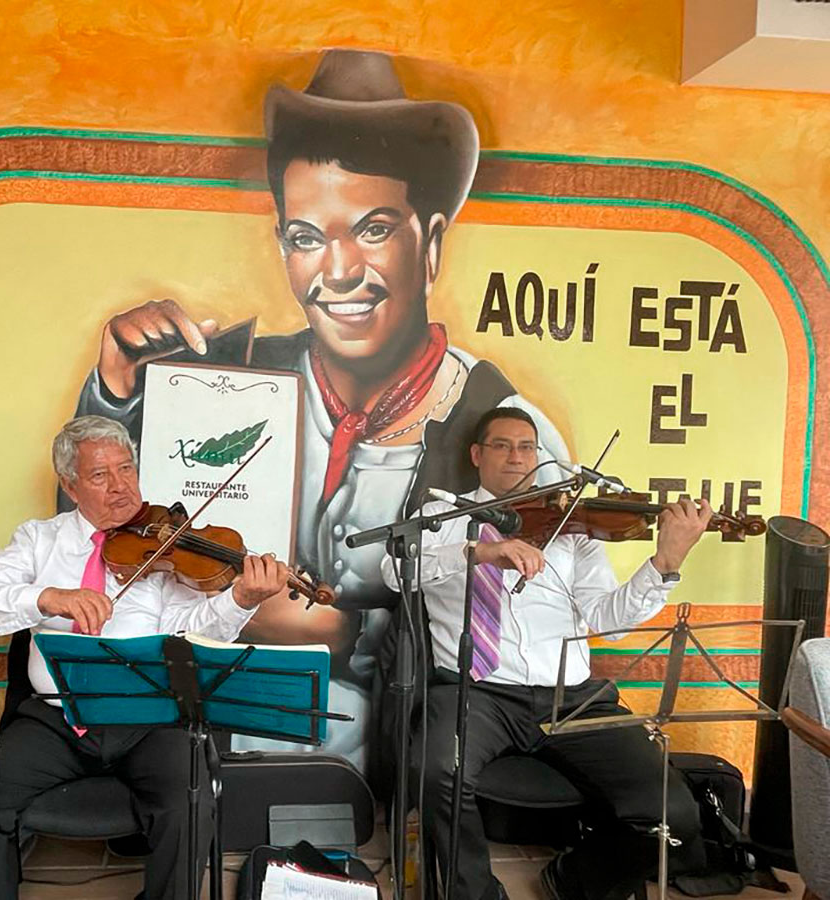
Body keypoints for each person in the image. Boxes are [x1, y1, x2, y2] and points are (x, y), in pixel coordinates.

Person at [72, 49, 568, 768]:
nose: (337, 272)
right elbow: (107, 527)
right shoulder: (235, 373)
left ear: (430, 244)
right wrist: (118, 388)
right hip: (218, 719)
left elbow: (534, 599)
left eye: (373, 230)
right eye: (306, 238)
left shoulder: (500, 421)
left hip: (394, 739)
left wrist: (349, 629)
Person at [0, 415, 290, 900]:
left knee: (189, 800)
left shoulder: (164, 545)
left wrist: (240, 600)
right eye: (99, 475)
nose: (120, 486)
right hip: (57, 719)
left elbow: (194, 630)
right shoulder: (38, 540)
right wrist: (48, 598)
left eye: (126, 469)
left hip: (148, 718)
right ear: (70, 485)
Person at [384, 407, 709, 900]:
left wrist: (665, 562)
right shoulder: (441, 518)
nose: (516, 457)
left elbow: (609, 622)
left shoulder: (574, 530)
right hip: (477, 693)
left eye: (527, 447)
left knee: (674, 813)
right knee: (435, 770)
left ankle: (575, 879)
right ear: (477, 454)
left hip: (570, 698)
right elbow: (394, 572)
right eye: (502, 445)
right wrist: (479, 552)